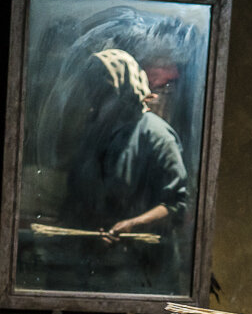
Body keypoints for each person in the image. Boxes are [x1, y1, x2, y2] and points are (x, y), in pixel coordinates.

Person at [23, 47, 190, 294]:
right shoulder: (94, 134)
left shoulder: (156, 136)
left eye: (99, 91)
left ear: (122, 89)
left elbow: (177, 205)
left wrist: (132, 224)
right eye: (90, 90)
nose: (92, 98)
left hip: (140, 274)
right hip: (93, 268)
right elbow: (78, 194)